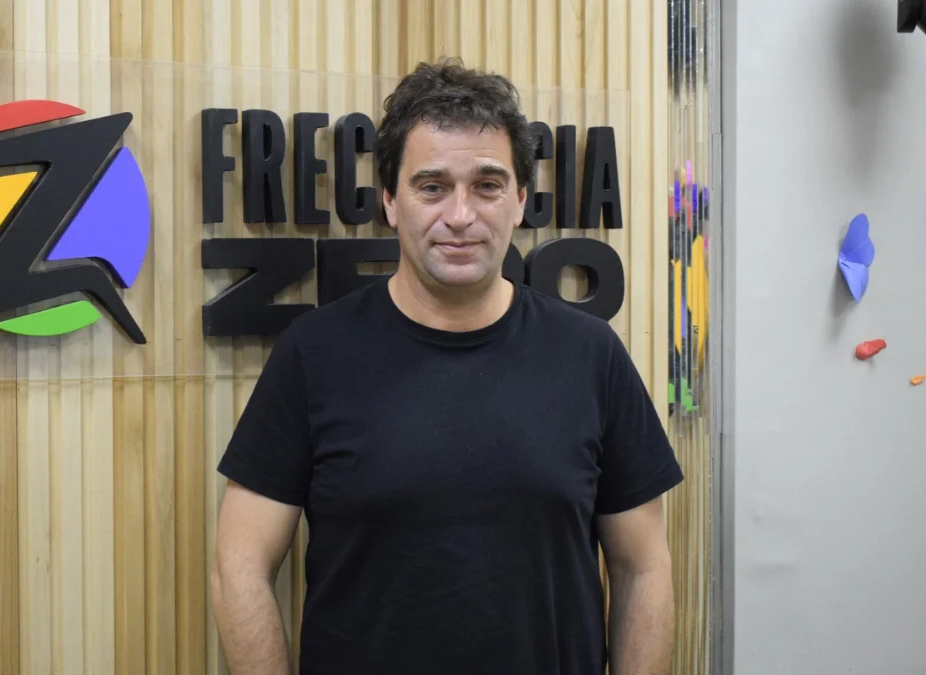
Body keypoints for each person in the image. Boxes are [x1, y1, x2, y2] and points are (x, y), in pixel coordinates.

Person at [210, 57, 684, 675]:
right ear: (390, 201)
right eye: (432, 187)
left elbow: (643, 567)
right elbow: (239, 565)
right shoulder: (313, 353)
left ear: (520, 200)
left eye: (487, 185)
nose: (460, 216)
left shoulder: (592, 355)